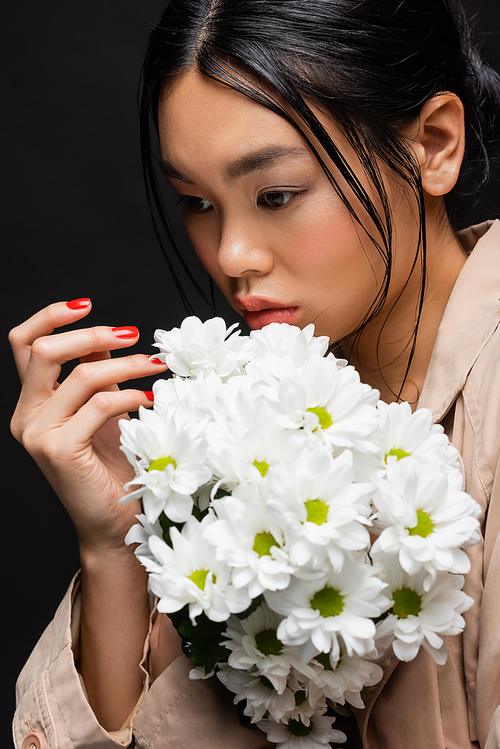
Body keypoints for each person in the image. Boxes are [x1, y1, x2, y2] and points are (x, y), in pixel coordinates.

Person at [9, 0, 500, 747]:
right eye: (197, 203)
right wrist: (116, 550)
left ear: (433, 145)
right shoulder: (229, 434)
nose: (232, 254)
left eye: (276, 195)